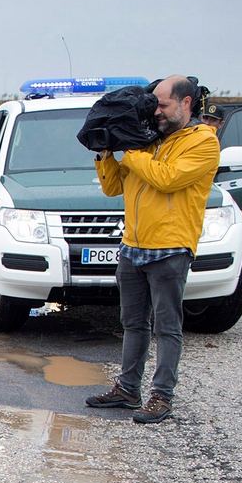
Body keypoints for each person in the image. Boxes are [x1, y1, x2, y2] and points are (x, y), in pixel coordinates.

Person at [85, 75, 220, 424]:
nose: (155, 111)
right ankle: (128, 389)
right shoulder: (147, 140)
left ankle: (161, 396)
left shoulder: (203, 142)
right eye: (153, 104)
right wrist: (104, 150)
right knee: (132, 323)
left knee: (167, 327)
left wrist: (129, 149)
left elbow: (167, 178)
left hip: (171, 248)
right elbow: (113, 187)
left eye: (163, 104)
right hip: (133, 245)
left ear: (185, 103)